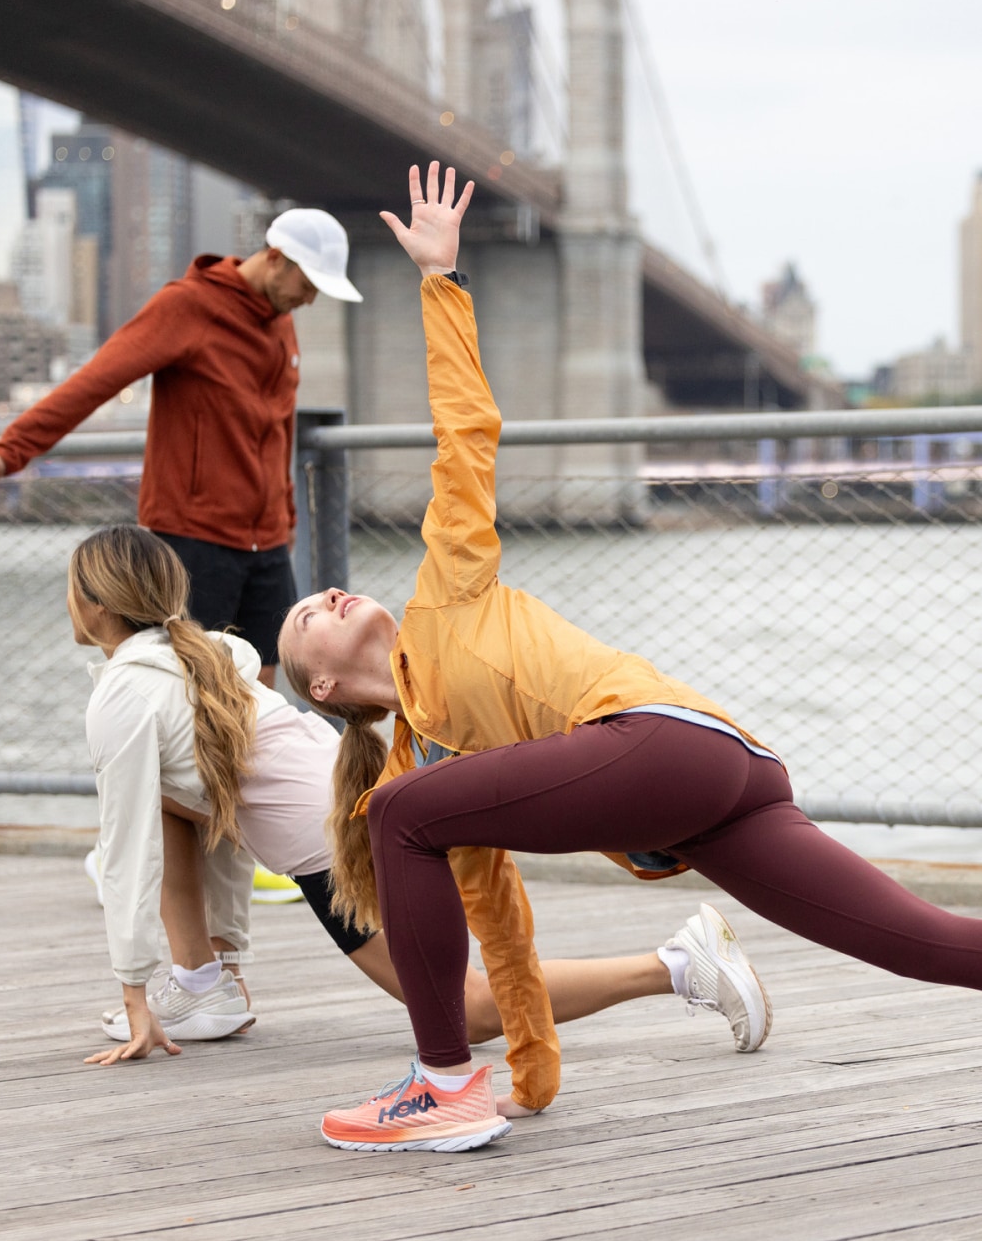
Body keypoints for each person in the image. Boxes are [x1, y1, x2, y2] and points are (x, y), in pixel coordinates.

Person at [279, 162, 982, 1153]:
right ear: (319, 685)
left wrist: (442, 281)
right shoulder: (428, 776)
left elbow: (464, 436)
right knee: (927, 942)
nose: (328, 594)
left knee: (395, 816)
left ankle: (441, 1087)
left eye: (326, 589)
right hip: (721, 792)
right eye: (308, 614)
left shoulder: (450, 588)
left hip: (673, 749)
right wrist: (532, 1071)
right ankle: (462, 1085)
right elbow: (503, 929)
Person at [71, 524, 768, 1067]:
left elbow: (128, 854)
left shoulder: (125, 697)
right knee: (170, 800)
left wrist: (133, 994)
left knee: (464, 1010)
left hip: (335, 836)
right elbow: (207, 819)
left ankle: (678, 964)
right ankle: (201, 985)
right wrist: (221, 962)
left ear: (95, 604)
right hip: (345, 802)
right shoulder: (203, 657)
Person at [0, 208, 363, 689]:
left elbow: (277, 428)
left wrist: (288, 518)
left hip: (268, 542)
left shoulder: (281, 319)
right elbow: (95, 381)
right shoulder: (188, 307)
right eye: (309, 283)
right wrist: (7, 453)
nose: (312, 298)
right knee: (196, 695)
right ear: (276, 258)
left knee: (260, 692)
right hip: (194, 537)